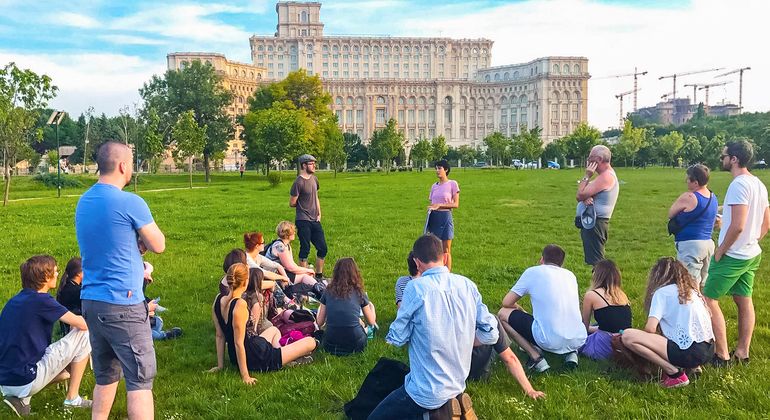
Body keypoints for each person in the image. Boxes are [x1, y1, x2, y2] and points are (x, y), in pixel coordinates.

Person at [75, 141, 166, 420]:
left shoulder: (84, 200)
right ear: (124, 166)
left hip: (92, 301)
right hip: (123, 303)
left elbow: (107, 242)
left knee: (105, 374)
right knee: (139, 378)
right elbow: (159, 244)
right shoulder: (130, 201)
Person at [369, 234, 498, 420]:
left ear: (417, 262)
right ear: (445, 257)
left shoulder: (415, 288)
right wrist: (467, 339)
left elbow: (396, 337)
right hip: (457, 382)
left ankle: (437, 413)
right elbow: (491, 333)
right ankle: (447, 408)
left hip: (424, 389)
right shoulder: (467, 285)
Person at [704, 140, 770, 365]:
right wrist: (752, 240)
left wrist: (721, 250)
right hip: (751, 254)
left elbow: (738, 225)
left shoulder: (738, 184)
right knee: (744, 300)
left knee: (708, 299)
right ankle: (742, 352)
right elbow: (766, 222)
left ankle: (721, 355)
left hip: (734, 255)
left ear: (734, 159)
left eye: (725, 155)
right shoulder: (759, 184)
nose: (722, 158)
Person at [0, 255, 92, 416]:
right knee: (84, 333)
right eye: (55, 271)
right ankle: (73, 399)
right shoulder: (42, 300)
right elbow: (83, 324)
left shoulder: (15, 301)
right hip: (25, 377)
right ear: (44, 277)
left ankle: (20, 401)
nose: (58, 274)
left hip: (5, 378)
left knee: (65, 372)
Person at [207, 263, 317, 383]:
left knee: (274, 330)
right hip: (255, 356)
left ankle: (286, 358)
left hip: (241, 353)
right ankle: (282, 359)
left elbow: (220, 335)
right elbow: (239, 343)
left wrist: (220, 365)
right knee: (310, 342)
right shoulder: (239, 305)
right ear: (245, 281)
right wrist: (245, 376)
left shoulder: (218, 300)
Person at [621, 258, 714, 388]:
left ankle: (674, 374)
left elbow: (650, 329)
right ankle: (693, 367)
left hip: (689, 352)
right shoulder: (693, 292)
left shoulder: (662, 293)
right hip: (708, 350)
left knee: (628, 336)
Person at [498, 244, 587, 373]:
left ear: (541, 260)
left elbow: (506, 302)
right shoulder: (570, 275)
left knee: (502, 313)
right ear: (561, 264)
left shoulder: (533, 272)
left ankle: (536, 358)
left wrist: (518, 307)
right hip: (579, 338)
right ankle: (571, 354)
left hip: (548, 339)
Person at [668, 164, 718, 286]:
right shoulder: (713, 197)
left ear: (695, 182)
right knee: (703, 285)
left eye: (688, 179)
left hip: (691, 246)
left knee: (688, 285)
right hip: (708, 245)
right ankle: (704, 304)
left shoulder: (689, 197)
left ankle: (691, 305)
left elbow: (671, 213)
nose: (686, 181)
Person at [316, 258, 377, 355]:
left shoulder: (328, 291)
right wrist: (372, 307)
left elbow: (319, 322)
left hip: (330, 345)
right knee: (359, 322)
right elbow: (371, 322)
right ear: (355, 273)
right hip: (356, 344)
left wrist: (320, 307)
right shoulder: (359, 292)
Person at [579, 259, 632, 360]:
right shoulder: (621, 294)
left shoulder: (592, 295)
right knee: (595, 326)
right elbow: (614, 324)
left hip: (605, 345)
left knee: (575, 340)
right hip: (624, 342)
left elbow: (583, 328)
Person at [576, 145, 619, 265]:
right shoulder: (603, 176)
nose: (588, 161)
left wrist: (587, 175)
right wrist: (586, 197)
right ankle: (599, 282)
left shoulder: (606, 176)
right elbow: (583, 194)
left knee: (598, 263)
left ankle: (602, 283)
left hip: (596, 224)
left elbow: (579, 195)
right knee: (595, 261)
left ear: (599, 159)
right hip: (592, 222)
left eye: (590, 158)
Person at [290, 154, 328, 280]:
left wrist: (319, 213)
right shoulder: (298, 182)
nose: (314, 165)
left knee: (322, 248)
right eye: (311, 163)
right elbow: (292, 202)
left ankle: (318, 275)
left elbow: (316, 197)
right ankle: (305, 278)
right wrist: (302, 205)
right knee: (305, 248)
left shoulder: (314, 179)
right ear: (304, 165)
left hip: (315, 219)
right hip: (303, 220)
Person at [265, 221, 325, 299]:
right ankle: (323, 293)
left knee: (306, 275)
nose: (295, 233)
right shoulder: (280, 246)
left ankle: (321, 292)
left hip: (282, 272)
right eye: (293, 231)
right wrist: (307, 270)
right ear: (287, 234)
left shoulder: (286, 245)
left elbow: (292, 265)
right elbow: (290, 267)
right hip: (275, 275)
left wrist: (304, 270)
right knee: (304, 276)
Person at [426, 159, 460, 271]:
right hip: (434, 217)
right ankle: (436, 272)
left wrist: (439, 205)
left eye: (439, 168)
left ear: (446, 170)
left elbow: (455, 204)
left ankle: (448, 274)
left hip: (445, 217)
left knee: (446, 249)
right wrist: (432, 208)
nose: (437, 170)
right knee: (435, 249)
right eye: (436, 168)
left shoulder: (452, 184)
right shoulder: (434, 186)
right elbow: (432, 202)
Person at [55, 257, 84, 335]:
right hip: (75, 328)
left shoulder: (67, 285)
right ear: (78, 273)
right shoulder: (76, 291)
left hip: (68, 325)